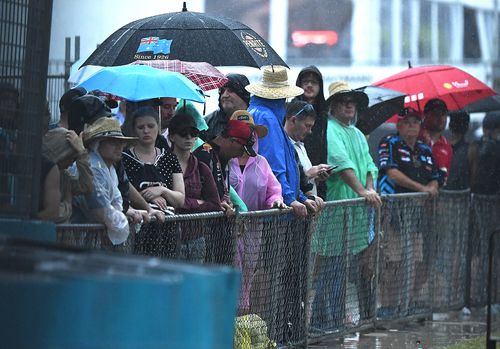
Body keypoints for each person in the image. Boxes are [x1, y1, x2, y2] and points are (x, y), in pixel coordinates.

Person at [320, 81, 381, 326]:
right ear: (333, 106)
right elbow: (341, 163)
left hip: (355, 214)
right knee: (330, 269)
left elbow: (368, 165)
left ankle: (336, 320)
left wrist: (369, 190)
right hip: (336, 210)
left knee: (346, 270)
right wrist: (361, 192)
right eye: (343, 100)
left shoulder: (357, 133)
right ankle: (324, 322)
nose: (349, 105)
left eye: (352, 101)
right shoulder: (330, 129)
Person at [228, 110, 286, 314]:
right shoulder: (224, 160)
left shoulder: (262, 162)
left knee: (248, 272)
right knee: (233, 269)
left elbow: (274, 190)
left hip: (254, 227)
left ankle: (242, 317)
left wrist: (276, 201)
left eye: (250, 132)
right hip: (228, 227)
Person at [246, 65, 320, 218]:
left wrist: (301, 197)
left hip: (265, 201)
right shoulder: (268, 118)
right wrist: (290, 199)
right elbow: (274, 165)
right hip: (275, 208)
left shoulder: (255, 112)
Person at [74, 117, 138, 245]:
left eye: (121, 142)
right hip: (77, 236)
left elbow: (115, 203)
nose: (119, 147)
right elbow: (101, 210)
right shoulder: (92, 166)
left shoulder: (109, 168)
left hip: (90, 239)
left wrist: (118, 216)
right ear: (98, 143)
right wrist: (121, 219)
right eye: (113, 142)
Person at [168, 111, 222, 262]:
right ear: (172, 136)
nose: (189, 137)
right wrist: (197, 203)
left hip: (196, 238)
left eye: (193, 133)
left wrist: (183, 203)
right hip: (167, 237)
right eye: (183, 133)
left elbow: (215, 204)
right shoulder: (161, 165)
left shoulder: (202, 168)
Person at [377, 109, 439, 195]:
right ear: (398, 126)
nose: (411, 125)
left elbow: (434, 177)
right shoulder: (389, 142)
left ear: (420, 126)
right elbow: (392, 173)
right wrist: (421, 189)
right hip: (392, 202)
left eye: (415, 122)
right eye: (406, 122)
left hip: (418, 205)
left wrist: (431, 188)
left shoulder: (425, 149)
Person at [40, 127, 94, 223]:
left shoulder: (64, 176)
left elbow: (86, 187)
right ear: (58, 153)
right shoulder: (40, 172)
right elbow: (54, 213)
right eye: (69, 157)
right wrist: (67, 206)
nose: (70, 163)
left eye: (74, 159)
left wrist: (82, 153)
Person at [292, 66, 328, 198]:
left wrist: (323, 172)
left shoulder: (323, 114)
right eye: (305, 81)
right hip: (297, 174)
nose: (309, 85)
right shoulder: (291, 110)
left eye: (314, 82)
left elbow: (323, 146)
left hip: (317, 178)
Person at [284, 100, 332, 198]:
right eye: (307, 126)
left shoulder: (300, 145)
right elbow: (282, 183)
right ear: (293, 120)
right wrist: (309, 174)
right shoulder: (282, 146)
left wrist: (316, 176)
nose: (310, 131)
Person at [204, 73, 250, 141]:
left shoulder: (257, 118)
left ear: (243, 94)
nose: (225, 95)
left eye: (230, 91)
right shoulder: (207, 123)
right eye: (222, 91)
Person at [420, 98, 453, 186]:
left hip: (435, 196)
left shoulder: (447, 146)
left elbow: (444, 177)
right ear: (425, 115)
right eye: (436, 114)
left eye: (444, 114)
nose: (441, 118)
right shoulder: (415, 137)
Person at [470, 111, 500, 194]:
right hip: (494, 193)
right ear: (498, 130)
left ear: (483, 128)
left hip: (477, 193)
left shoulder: (475, 146)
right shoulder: (495, 147)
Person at [445, 111, 473, 190]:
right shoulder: (471, 149)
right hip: (464, 194)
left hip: (444, 195)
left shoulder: (443, 148)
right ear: (467, 127)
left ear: (450, 126)